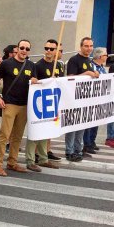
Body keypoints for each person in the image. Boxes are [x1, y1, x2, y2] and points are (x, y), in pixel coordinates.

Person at [0, 40, 37, 177]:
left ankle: (12, 162)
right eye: (22, 48)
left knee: (17, 137)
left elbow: (35, 82)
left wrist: (35, 81)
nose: (24, 50)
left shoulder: (31, 65)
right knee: (4, 135)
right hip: (10, 104)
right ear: (17, 49)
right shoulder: (7, 63)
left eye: (27, 49)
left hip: (24, 105)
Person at [28, 39, 63, 171]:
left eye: (51, 49)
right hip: (38, 104)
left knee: (45, 132)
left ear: (56, 51)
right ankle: (30, 159)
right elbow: (34, 82)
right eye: (46, 48)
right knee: (35, 132)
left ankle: (43, 158)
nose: (48, 51)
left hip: (51, 103)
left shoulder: (58, 65)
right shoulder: (38, 66)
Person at [64, 37, 99, 162]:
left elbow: (91, 75)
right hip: (74, 99)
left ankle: (79, 150)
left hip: (85, 99)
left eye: (91, 46)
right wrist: (87, 74)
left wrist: (95, 74)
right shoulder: (74, 60)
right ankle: (69, 151)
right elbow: (70, 78)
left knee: (81, 126)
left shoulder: (89, 61)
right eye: (86, 46)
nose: (89, 48)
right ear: (81, 46)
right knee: (73, 126)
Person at [82, 47, 108, 155]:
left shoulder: (102, 67)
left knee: (95, 122)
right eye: (106, 55)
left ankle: (92, 141)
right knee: (89, 123)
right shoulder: (92, 65)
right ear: (101, 56)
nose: (107, 57)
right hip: (91, 99)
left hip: (99, 99)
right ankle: (87, 144)